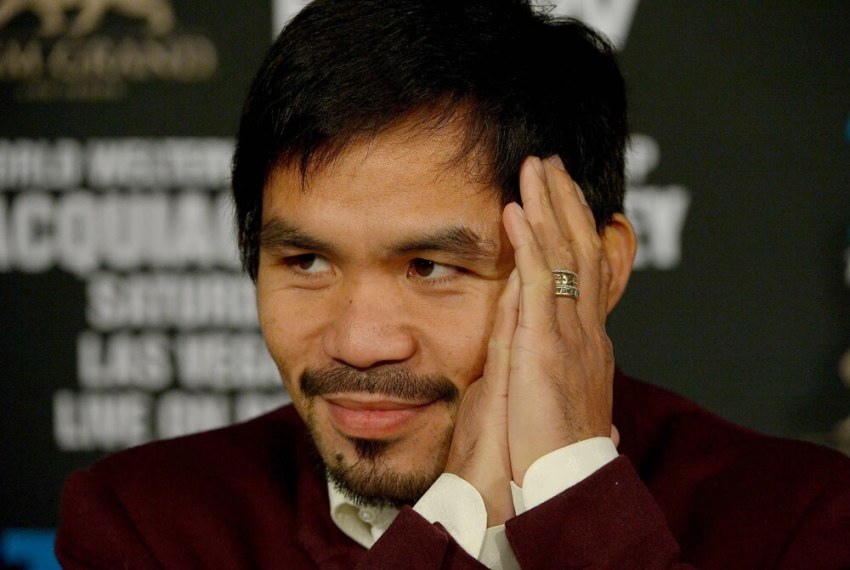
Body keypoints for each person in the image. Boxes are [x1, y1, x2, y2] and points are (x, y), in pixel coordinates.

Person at [55, 0, 850, 568]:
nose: (361, 342)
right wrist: (454, 522)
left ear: (593, 269)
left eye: (431, 268)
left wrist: (571, 497)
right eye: (306, 263)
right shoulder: (146, 527)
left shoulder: (801, 521)